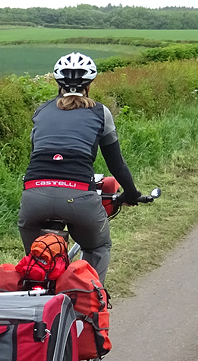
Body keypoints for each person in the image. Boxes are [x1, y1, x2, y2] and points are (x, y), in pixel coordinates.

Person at [17, 52, 151, 284]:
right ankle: (89, 297)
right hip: (78, 196)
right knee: (98, 246)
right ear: (89, 84)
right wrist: (131, 193)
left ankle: (36, 293)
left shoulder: (41, 111)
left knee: (38, 260)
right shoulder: (100, 112)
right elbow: (116, 164)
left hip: (34, 196)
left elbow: (37, 155)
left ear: (58, 83)